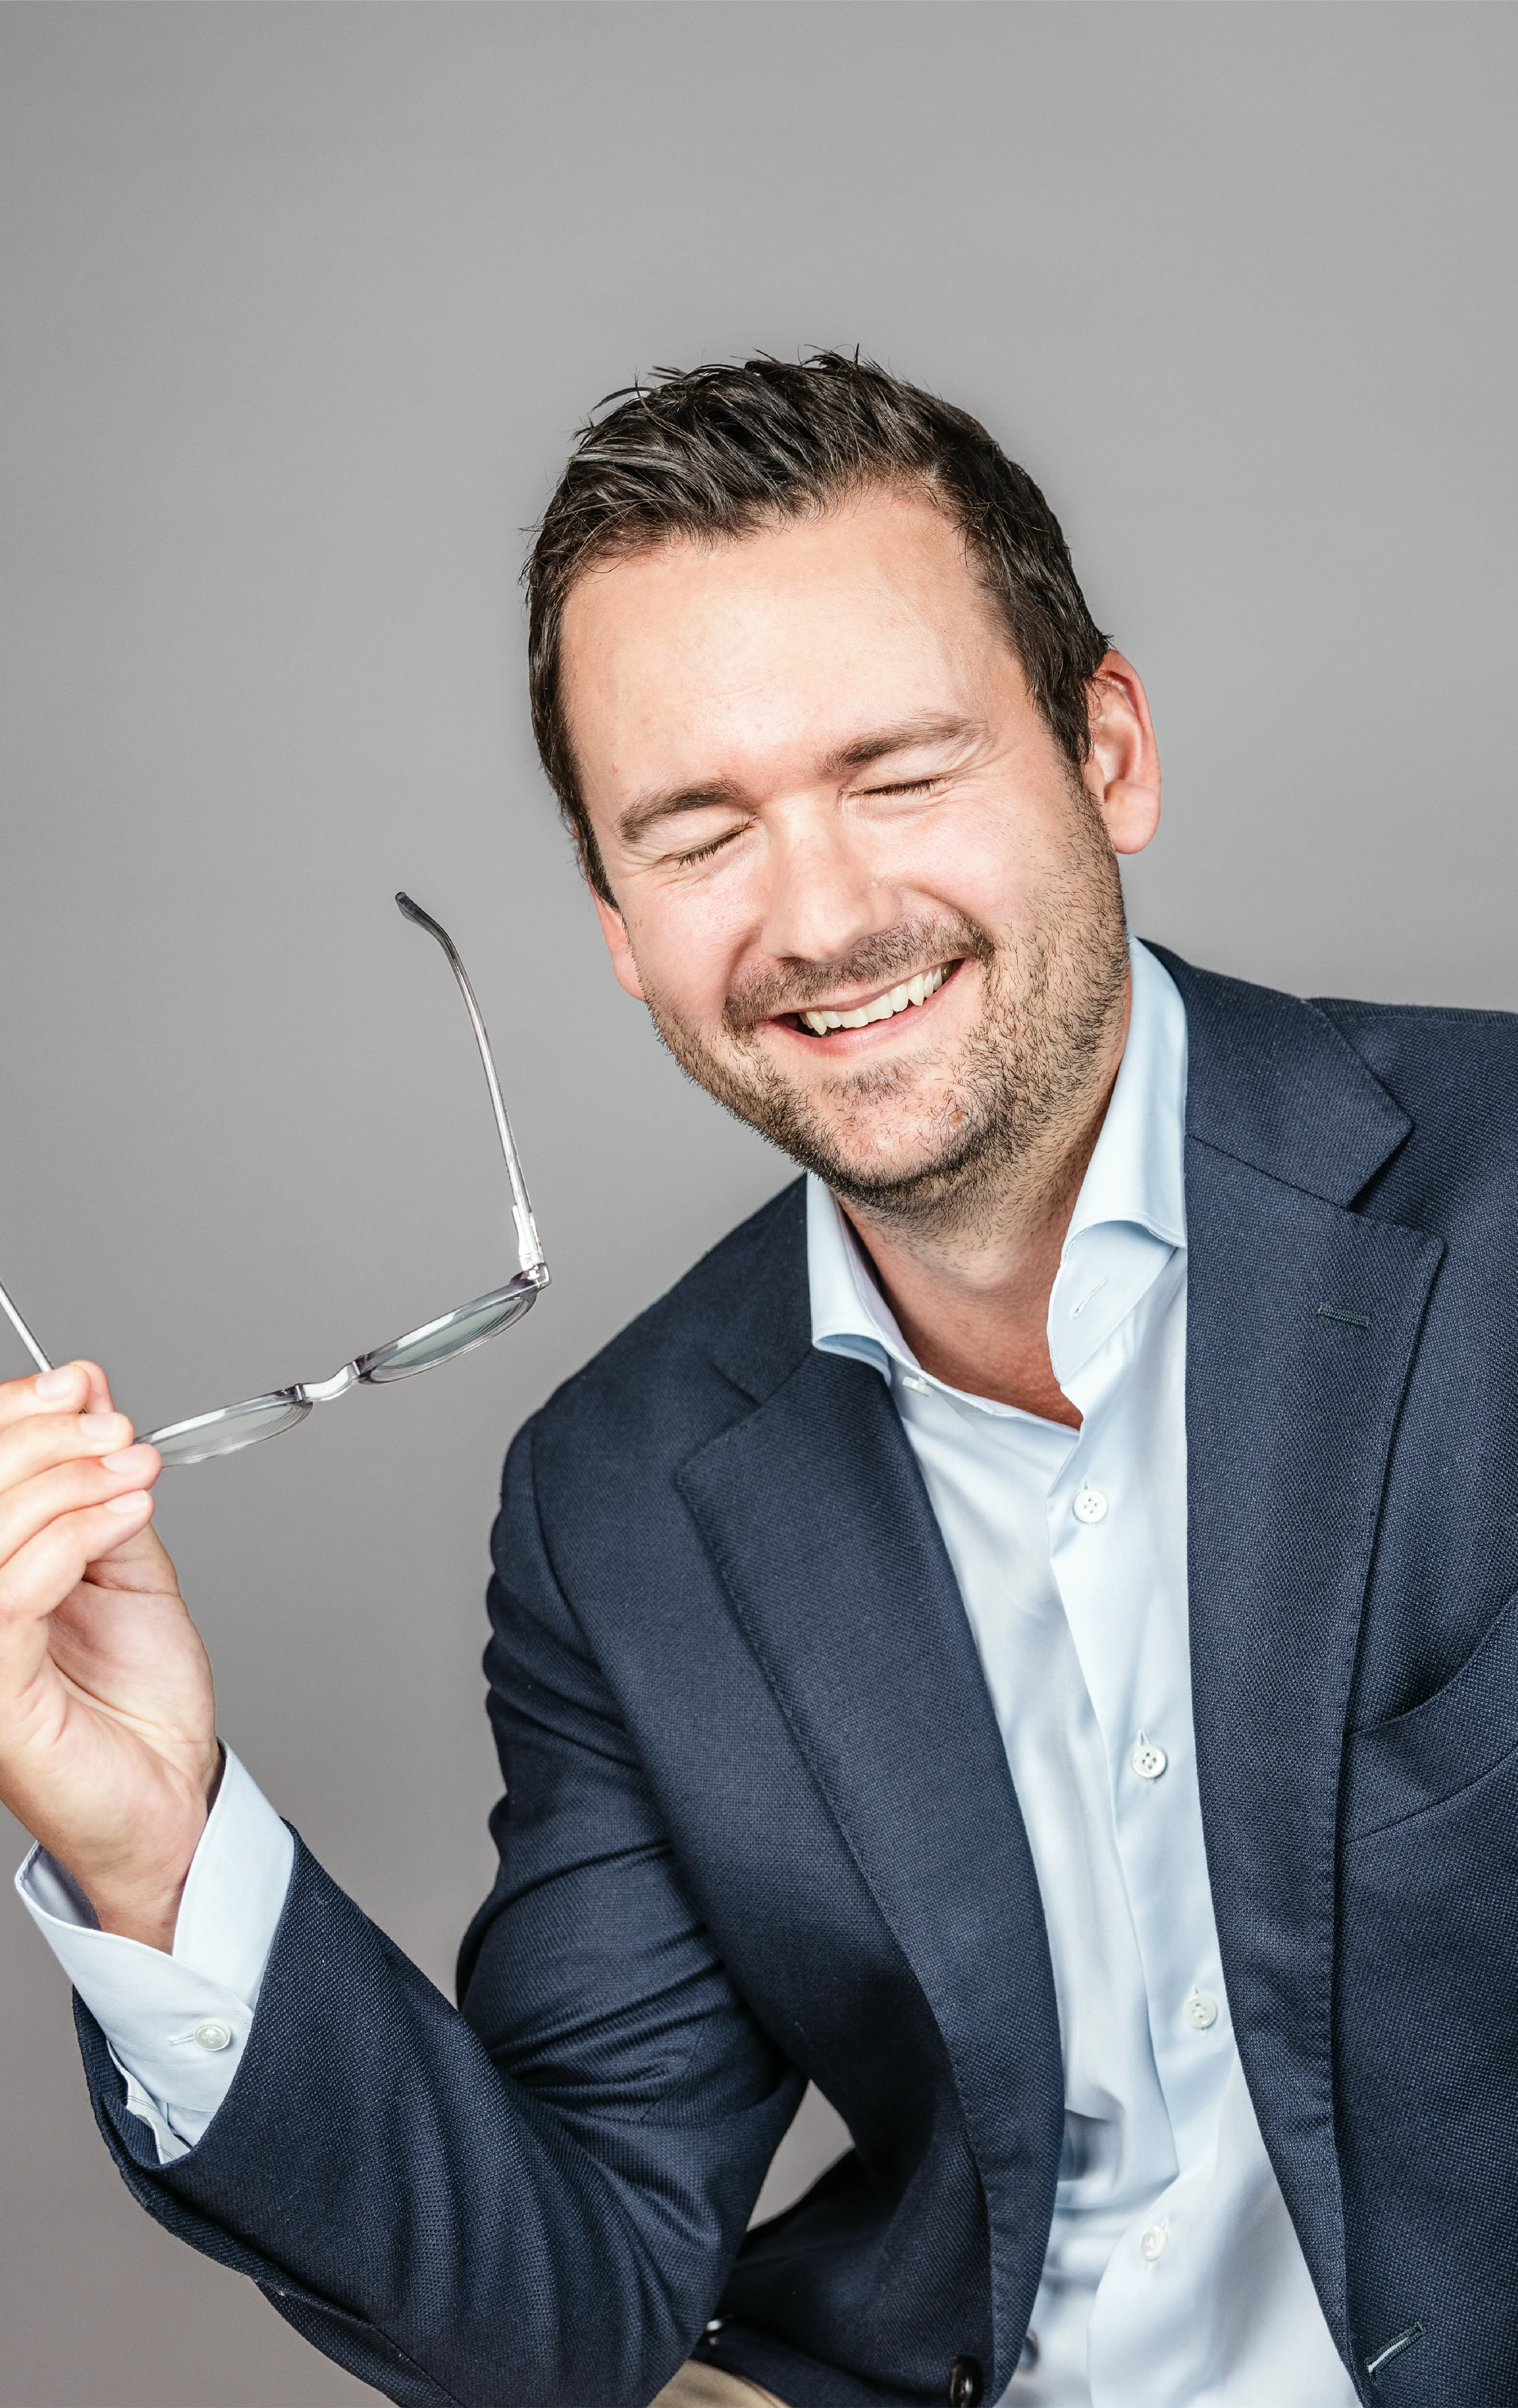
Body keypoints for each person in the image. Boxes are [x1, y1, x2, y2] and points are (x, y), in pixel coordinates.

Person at [0, 355, 1508, 2408]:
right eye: (696, 832)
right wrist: (150, 1836)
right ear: (619, 929)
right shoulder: (618, 1493)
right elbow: (569, 2296)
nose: (817, 915)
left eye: (896, 773)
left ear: (1110, 748)